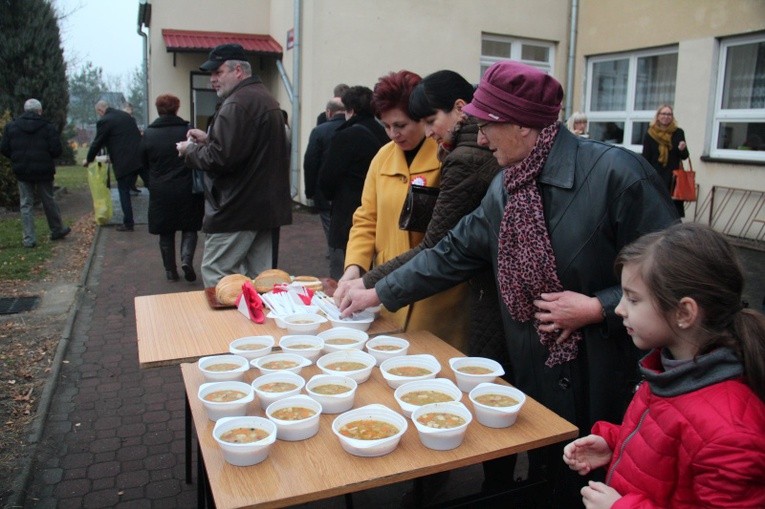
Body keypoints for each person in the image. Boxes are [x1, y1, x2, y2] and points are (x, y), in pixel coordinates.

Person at [338, 60, 679, 506]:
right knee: (546, 472)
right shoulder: (507, 185)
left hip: (602, 370)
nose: (479, 138)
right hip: (533, 365)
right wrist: (376, 291)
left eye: (487, 126)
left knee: (593, 477)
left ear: (522, 126)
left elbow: (674, 273)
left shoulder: (616, 174)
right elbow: (452, 252)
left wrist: (598, 306)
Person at [563, 223, 765, 509]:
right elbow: (669, 445)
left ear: (684, 312)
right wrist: (614, 442)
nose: (619, 309)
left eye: (633, 298)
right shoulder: (673, 371)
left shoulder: (732, 436)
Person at [337, 70, 503, 358]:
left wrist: (369, 283)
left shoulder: (450, 153)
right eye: (386, 126)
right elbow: (366, 218)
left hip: (438, 298)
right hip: (386, 291)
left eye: (401, 124)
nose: (393, 134)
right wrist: (355, 267)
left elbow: (440, 243)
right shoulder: (382, 157)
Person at [176, 43, 292, 287]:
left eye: (218, 73)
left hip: (237, 208)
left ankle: (226, 326)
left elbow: (220, 159)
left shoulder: (237, 104)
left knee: (218, 274)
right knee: (262, 279)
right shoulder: (265, 99)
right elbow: (250, 150)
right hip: (264, 208)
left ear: (238, 70)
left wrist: (190, 151)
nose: (212, 80)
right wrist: (209, 140)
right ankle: (259, 325)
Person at [318, 86, 389, 280]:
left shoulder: (346, 136)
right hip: (380, 217)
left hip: (348, 217)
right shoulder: (386, 135)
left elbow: (327, 179)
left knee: (343, 279)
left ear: (350, 110)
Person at [139, 94, 204, 282]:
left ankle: (170, 270)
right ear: (177, 108)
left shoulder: (149, 134)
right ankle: (186, 260)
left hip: (160, 189)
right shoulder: (187, 131)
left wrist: (150, 182)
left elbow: (141, 162)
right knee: (190, 227)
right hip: (187, 188)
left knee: (165, 231)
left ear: (158, 109)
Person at [0, 98, 70, 248]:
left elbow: (4, 148)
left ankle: (29, 239)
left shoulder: (12, 126)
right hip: (44, 170)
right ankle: (57, 229)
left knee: (26, 203)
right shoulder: (48, 127)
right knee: (48, 200)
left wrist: (16, 158)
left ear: (25, 110)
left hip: (22, 170)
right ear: (40, 111)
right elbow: (56, 150)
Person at [84, 99, 148, 232]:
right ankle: (168, 212)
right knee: (152, 185)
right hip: (139, 157)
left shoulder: (104, 121)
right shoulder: (126, 116)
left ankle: (128, 223)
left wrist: (89, 159)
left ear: (101, 110)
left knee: (123, 191)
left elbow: (98, 142)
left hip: (123, 161)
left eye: (99, 113)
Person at [304, 97, 346, 253]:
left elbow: (310, 162)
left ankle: (336, 259)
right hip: (351, 191)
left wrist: (310, 191)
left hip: (324, 192)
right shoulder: (357, 128)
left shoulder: (319, 131)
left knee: (331, 229)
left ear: (329, 112)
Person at [642, 104, 689, 218]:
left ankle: (674, 233)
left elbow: (684, 156)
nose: (666, 116)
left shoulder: (678, 132)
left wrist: (682, 149)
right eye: (663, 113)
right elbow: (646, 157)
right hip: (656, 176)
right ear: (658, 116)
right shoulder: (650, 133)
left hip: (673, 178)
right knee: (657, 209)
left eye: (669, 114)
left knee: (673, 211)